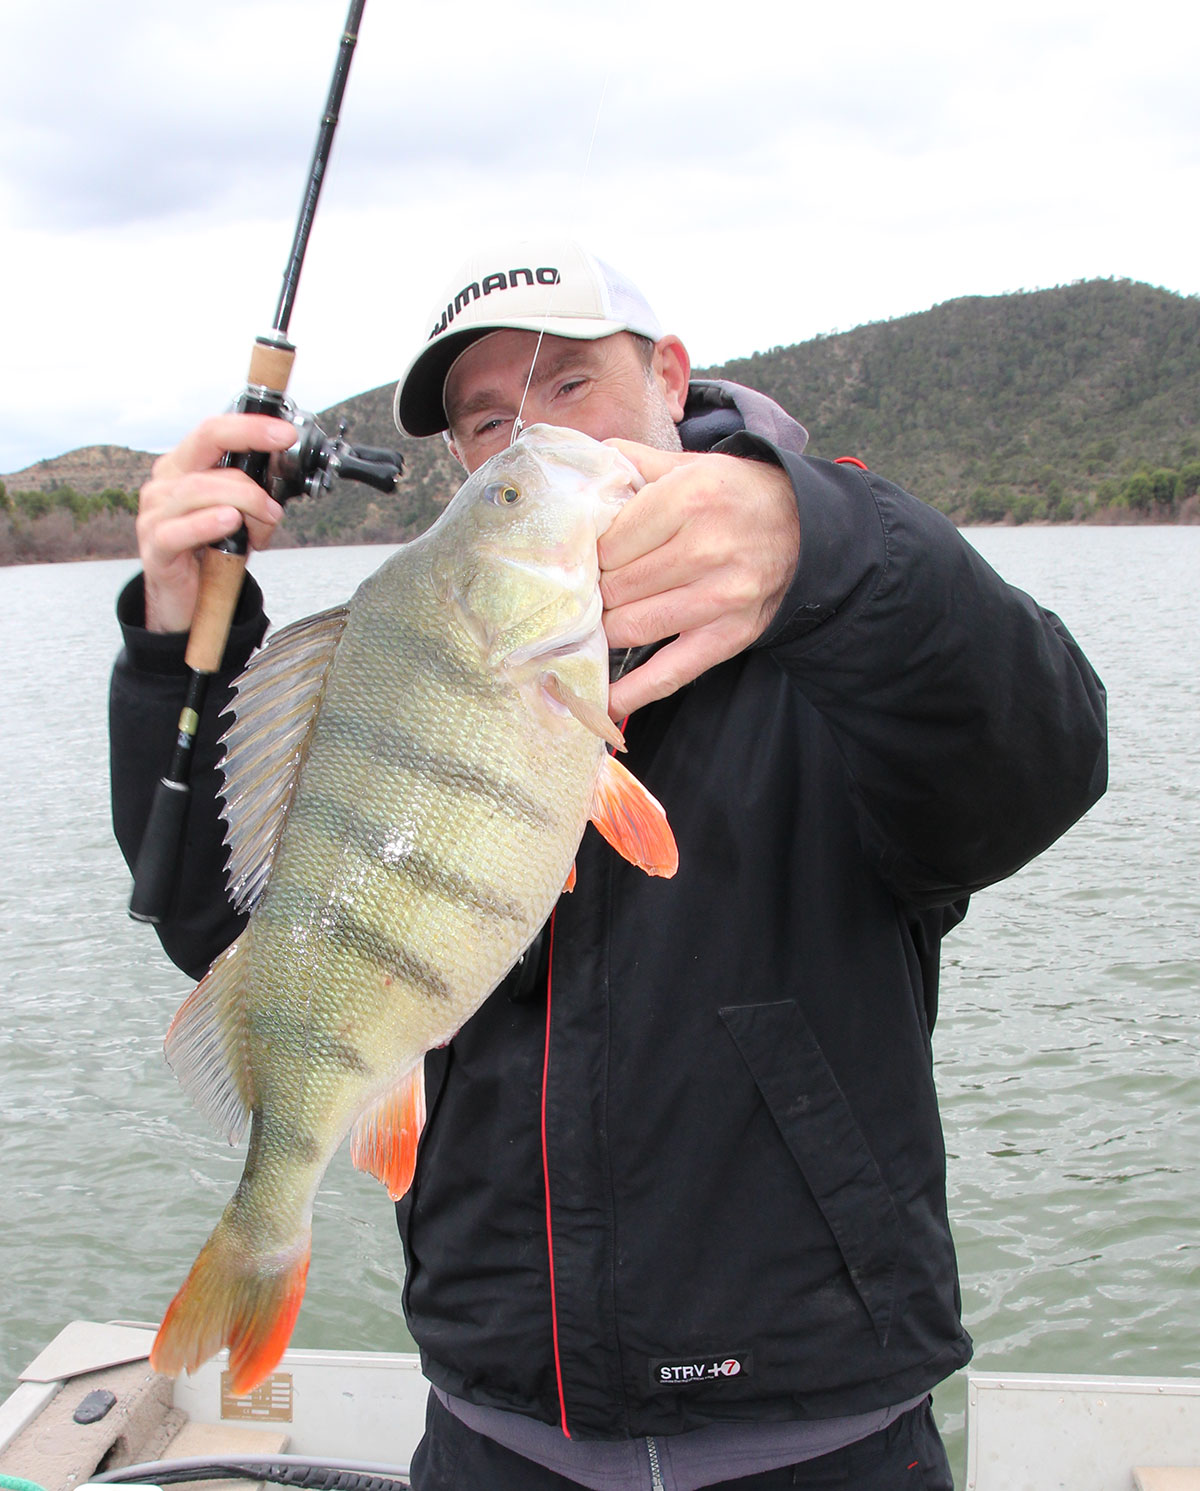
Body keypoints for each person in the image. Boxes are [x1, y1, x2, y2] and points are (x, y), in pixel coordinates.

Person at [110, 238, 1108, 1490]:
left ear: (672, 380)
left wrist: (829, 548)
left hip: (824, 1433)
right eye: (485, 421)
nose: (526, 437)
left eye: (568, 385)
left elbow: (1043, 761)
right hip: (495, 1423)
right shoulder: (411, 644)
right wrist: (171, 638)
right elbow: (218, 915)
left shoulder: (847, 643)